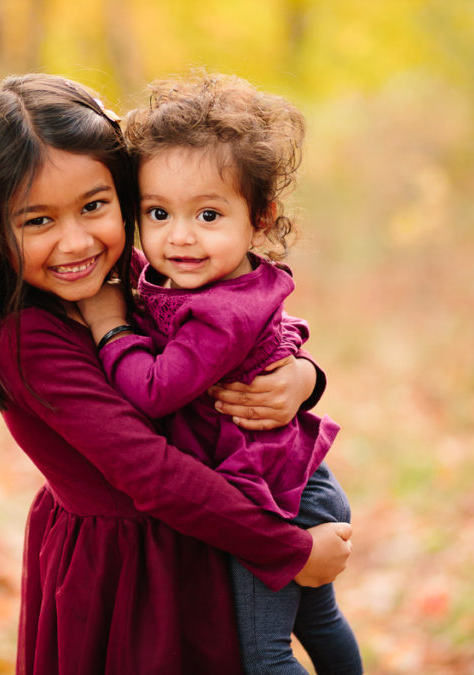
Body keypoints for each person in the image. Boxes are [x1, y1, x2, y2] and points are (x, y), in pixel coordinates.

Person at [0, 73, 353, 675]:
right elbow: (148, 473)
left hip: (210, 532)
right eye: (36, 221)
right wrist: (288, 550)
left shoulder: (132, 267)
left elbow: (240, 326)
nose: (75, 242)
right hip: (130, 576)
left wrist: (305, 376)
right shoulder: (26, 340)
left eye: (94, 207)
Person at [77, 73, 362, 674]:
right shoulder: (218, 280)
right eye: (158, 213)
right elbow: (285, 338)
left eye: (209, 214)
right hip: (297, 477)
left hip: (279, 498)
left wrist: (110, 327)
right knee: (320, 621)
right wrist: (306, 374)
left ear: (260, 217)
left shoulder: (219, 311)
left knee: (263, 657)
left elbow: (154, 392)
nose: (180, 237)